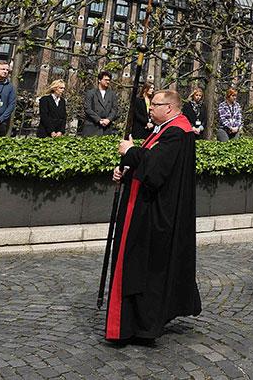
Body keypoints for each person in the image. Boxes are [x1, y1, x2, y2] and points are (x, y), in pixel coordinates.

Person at [104, 89, 201, 343]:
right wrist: (124, 171)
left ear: (168, 108)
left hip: (155, 214)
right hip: (145, 207)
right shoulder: (164, 130)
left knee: (146, 269)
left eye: (154, 104)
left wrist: (129, 151)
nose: (149, 108)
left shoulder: (177, 132)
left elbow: (156, 171)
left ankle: (142, 325)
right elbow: (148, 164)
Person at [82, 71, 121, 137]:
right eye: (106, 80)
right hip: (92, 126)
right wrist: (99, 120)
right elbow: (87, 108)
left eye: (109, 80)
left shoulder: (112, 94)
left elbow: (114, 109)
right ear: (99, 80)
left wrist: (108, 119)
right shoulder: (91, 93)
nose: (108, 82)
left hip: (106, 128)